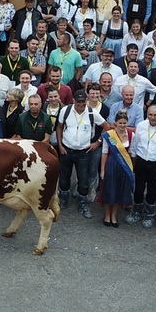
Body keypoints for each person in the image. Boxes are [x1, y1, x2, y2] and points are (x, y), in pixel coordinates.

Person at [55, 83, 107, 218]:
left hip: (84, 152)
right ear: (73, 101)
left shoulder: (91, 112)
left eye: (83, 102)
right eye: (78, 102)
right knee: (64, 177)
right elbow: (59, 127)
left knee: (83, 179)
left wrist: (97, 143)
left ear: (86, 100)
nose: (80, 104)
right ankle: (63, 199)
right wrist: (60, 145)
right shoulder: (65, 110)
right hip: (66, 150)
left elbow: (107, 126)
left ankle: (83, 204)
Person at [127, 105, 156, 228]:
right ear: (147, 114)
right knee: (139, 188)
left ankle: (149, 215)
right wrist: (133, 160)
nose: (152, 117)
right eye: (150, 114)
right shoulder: (141, 125)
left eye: (155, 115)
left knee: (152, 189)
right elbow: (135, 144)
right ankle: (136, 212)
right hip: (141, 161)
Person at [98, 111, 134, 227]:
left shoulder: (131, 135)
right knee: (109, 190)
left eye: (124, 123)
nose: (122, 125)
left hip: (124, 166)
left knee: (120, 191)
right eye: (120, 123)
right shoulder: (109, 135)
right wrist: (102, 170)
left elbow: (132, 153)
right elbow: (104, 153)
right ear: (116, 123)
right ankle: (107, 215)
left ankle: (114, 215)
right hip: (111, 164)